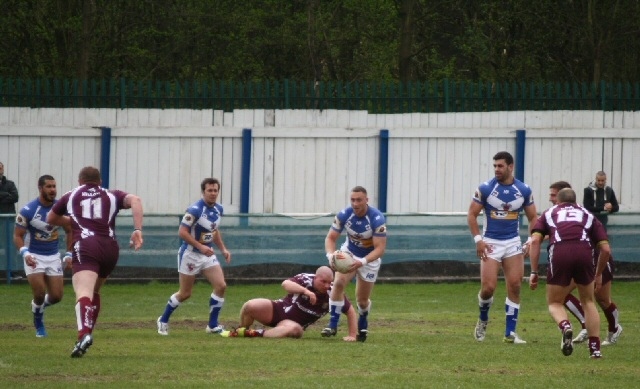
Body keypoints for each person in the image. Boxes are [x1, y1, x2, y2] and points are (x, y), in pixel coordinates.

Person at [47, 166, 143, 358]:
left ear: (80, 181)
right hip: (110, 248)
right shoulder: (111, 194)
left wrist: (71, 220)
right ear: (100, 182)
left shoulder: (71, 195)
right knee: (95, 292)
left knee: (83, 291)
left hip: (86, 244)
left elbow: (51, 218)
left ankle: (83, 334)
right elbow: (136, 200)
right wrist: (137, 229)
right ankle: (87, 333)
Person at [528, 188, 611, 358]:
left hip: (560, 251)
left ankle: (565, 326)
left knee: (554, 302)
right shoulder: (587, 214)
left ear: (558, 201)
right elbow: (605, 249)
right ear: (575, 201)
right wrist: (599, 273)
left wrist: (534, 271)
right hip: (584, 252)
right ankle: (595, 349)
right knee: (588, 301)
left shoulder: (549, 213)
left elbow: (535, 241)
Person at [467, 151, 537, 344]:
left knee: (515, 286)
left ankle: (510, 334)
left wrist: (531, 240)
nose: (497, 169)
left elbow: (533, 218)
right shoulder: (486, 189)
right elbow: (471, 215)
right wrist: (478, 240)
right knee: (488, 288)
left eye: (500, 166)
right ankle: (482, 319)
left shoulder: (523, 190)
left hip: (513, 242)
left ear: (510, 167)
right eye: (495, 166)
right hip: (490, 242)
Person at [548, 181, 623, 346]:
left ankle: (614, 328)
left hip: (597, 259)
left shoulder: (582, 212)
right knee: (561, 294)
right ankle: (585, 325)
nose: (551, 199)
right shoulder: (556, 213)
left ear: (563, 195)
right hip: (580, 261)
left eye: (554, 195)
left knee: (602, 299)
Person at [157, 178, 231, 336]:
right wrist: (200, 246)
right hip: (190, 254)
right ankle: (163, 320)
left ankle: (212, 325)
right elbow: (182, 232)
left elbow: (214, 231)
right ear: (203, 192)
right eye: (209, 190)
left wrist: (223, 249)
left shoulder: (219, 209)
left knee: (221, 286)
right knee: (185, 294)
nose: (213, 193)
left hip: (207, 254)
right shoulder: (195, 209)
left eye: (215, 190)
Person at [321, 185, 387, 342]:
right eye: (352, 200)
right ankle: (332, 324)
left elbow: (380, 249)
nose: (355, 203)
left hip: (369, 259)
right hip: (349, 252)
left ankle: (363, 319)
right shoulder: (344, 215)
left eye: (359, 200)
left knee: (362, 300)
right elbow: (330, 238)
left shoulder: (376, 218)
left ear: (366, 200)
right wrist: (330, 255)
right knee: (338, 283)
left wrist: (362, 262)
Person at [220, 266, 357, 340]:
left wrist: (352, 335)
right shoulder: (305, 279)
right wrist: (306, 292)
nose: (327, 285)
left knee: (296, 330)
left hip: (290, 324)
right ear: (316, 278)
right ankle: (241, 330)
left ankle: (254, 333)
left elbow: (350, 311)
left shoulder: (333, 293)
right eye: (323, 281)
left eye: (329, 282)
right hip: (279, 310)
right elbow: (286, 284)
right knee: (250, 305)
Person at [14, 175, 72, 337]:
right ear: (40, 188)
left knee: (56, 296)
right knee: (39, 293)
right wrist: (25, 253)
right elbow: (17, 235)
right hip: (34, 255)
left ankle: (37, 307)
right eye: (49, 186)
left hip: (53, 256)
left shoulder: (61, 208)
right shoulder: (29, 210)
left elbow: (70, 230)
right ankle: (38, 321)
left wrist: (69, 253)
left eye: (54, 186)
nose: (53, 190)